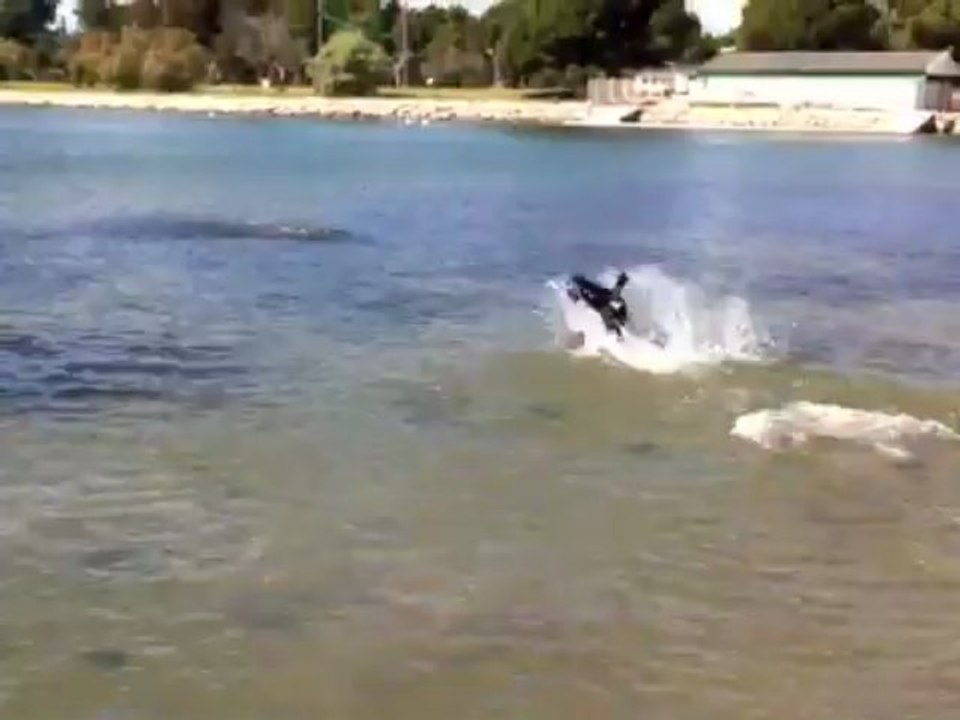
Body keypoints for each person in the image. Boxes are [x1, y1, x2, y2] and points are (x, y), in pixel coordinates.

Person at [567, 271, 630, 338]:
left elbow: (615, 324)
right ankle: (577, 287)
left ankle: (576, 289)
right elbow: (617, 323)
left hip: (601, 306)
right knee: (605, 295)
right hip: (604, 303)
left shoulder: (613, 324)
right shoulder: (618, 320)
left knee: (589, 295)